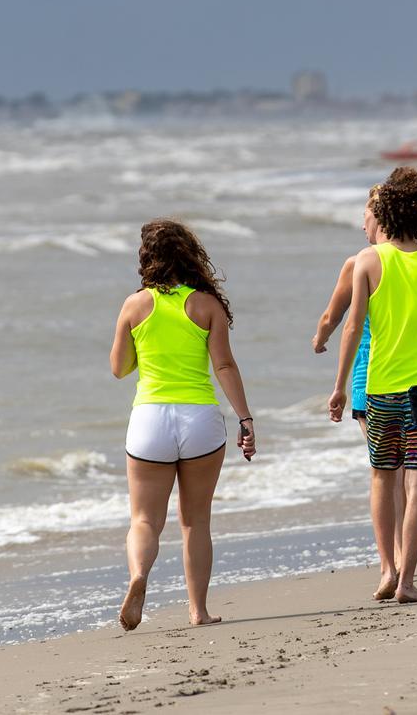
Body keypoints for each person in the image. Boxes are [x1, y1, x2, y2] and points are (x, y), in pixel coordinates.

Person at [328, 167, 417, 605]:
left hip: (380, 387)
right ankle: (408, 580)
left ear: (384, 214)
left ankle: (387, 570)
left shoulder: (368, 261)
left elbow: (351, 327)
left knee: (381, 476)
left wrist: (339, 386)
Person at [109, 219, 255, 631]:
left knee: (144, 520)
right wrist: (245, 418)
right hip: (199, 420)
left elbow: (119, 368)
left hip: (150, 420)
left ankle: (139, 575)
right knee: (195, 521)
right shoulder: (207, 305)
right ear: (190, 255)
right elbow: (224, 366)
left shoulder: (135, 305)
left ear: (147, 258)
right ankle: (198, 611)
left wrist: (145, 345)